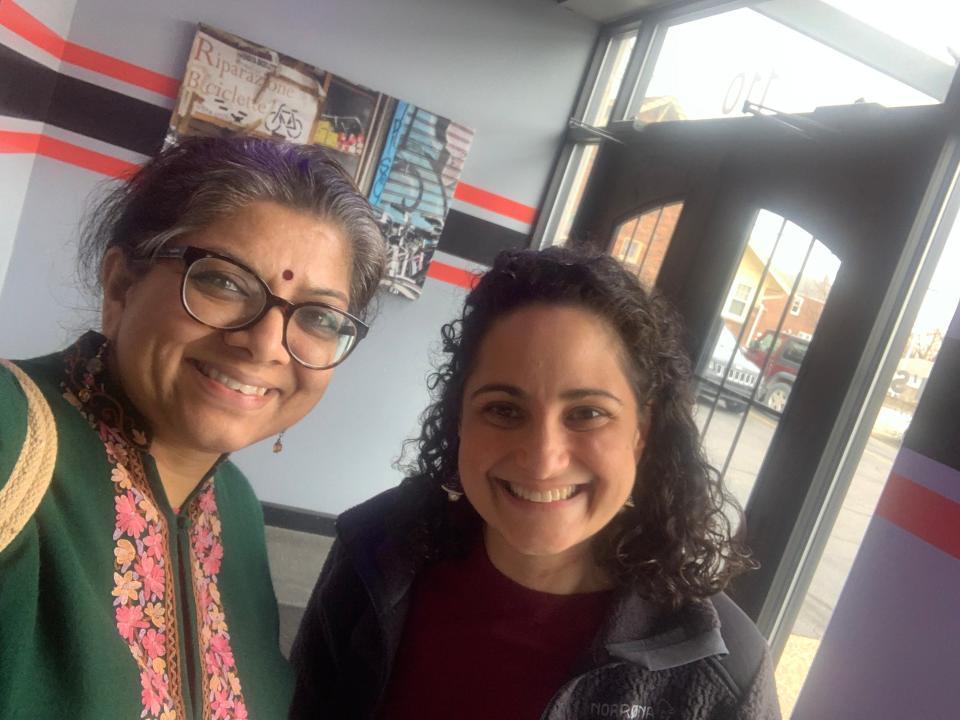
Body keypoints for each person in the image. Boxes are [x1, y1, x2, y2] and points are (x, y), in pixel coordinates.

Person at [290, 247, 781, 719]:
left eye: (587, 414)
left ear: (641, 433)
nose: (543, 460)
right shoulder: (375, 554)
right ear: (460, 417)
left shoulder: (722, 668)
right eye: (504, 409)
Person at [0, 136, 386, 719]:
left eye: (319, 316)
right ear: (121, 287)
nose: (264, 344)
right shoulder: (11, 434)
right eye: (224, 281)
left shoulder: (237, 510)